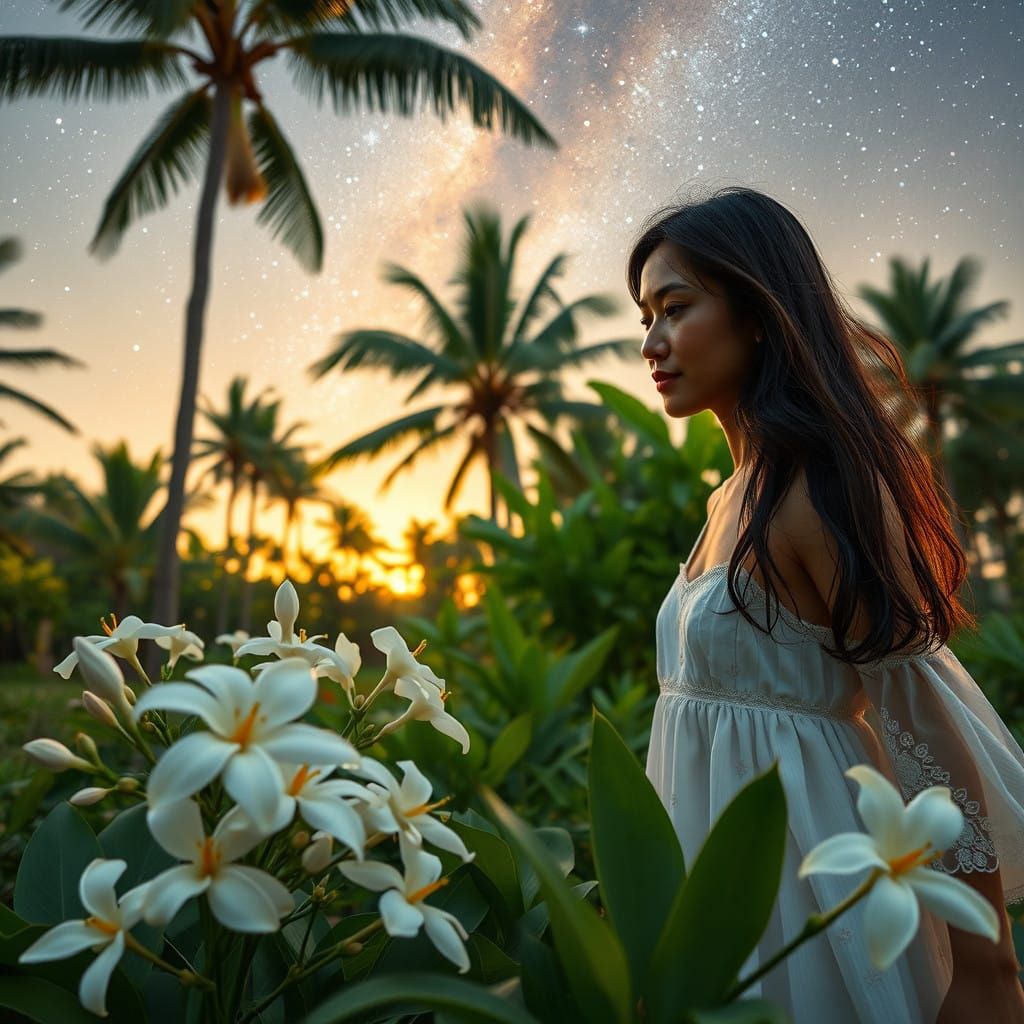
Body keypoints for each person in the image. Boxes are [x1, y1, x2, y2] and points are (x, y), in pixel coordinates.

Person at [630, 185, 1024, 1022]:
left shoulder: (818, 493)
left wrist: (990, 967)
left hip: (806, 886)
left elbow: (923, 723)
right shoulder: (731, 496)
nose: (652, 342)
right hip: (718, 891)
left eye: (675, 307)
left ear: (760, 311)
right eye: (645, 317)